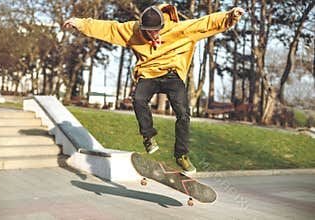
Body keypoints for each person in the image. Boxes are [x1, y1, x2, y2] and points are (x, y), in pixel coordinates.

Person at [64, 4, 244, 174]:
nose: (154, 35)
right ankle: (148, 137)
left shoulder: (179, 30)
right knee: (139, 99)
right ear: (142, 28)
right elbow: (109, 28)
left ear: (163, 25)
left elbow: (206, 24)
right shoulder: (132, 31)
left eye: (157, 31)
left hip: (172, 74)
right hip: (149, 73)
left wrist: (230, 16)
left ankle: (181, 155)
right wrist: (79, 23)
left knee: (183, 113)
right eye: (150, 33)